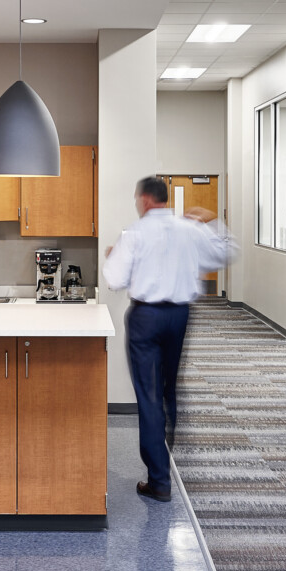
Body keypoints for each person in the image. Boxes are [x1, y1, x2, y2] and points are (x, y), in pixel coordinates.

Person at [103, 176, 237, 503]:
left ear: (146, 199)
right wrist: (209, 218)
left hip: (145, 318)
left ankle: (159, 479)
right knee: (167, 388)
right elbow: (227, 253)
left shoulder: (135, 234)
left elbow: (113, 279)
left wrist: (113, 256)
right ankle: (166, 455)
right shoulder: (189, 229)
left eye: (137, 199)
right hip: (179, 316)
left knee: (148, 396)